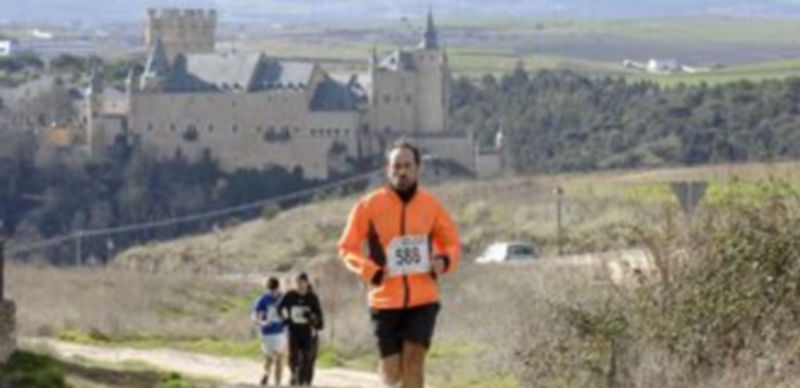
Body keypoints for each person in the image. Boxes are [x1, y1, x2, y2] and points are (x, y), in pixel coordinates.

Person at [338, 139, 461, 388]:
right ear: (388, 169)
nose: (401, 172)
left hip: (423, 299)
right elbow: (346, 248)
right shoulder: (369, 205)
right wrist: (370, 272)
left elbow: (453, 244)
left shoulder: (431, 205)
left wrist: (443, 260)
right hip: (384, 301)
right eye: (396, 166)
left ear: (418, 168)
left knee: (414, 363)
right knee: (392, 372)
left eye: (407, 166)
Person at [278, 272, 324, 386]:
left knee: (306, 357)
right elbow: (279, 308)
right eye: (298, 283)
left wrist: (313, 318)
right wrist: (285, 319)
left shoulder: (312, 297)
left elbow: (319, 315)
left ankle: (302, 379)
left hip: (307, 331)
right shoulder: (289, 295)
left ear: (307, 283)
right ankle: (294, 374)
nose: (300, 285)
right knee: (293, 356)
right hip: (293, 330)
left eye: (302, 283)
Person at [252, 277, 286, 386]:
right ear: (267, 289)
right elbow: (254, 316)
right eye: (271, 290)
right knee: (269, 358)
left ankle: (278, 383)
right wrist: (261, 322)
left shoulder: (283, 298)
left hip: (280, 332)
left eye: (275, 290)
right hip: (267, 333)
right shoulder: (262, 299)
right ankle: (266, 373)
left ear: (278, 288)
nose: (273, 292)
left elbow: (289, 312)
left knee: (279, 358)